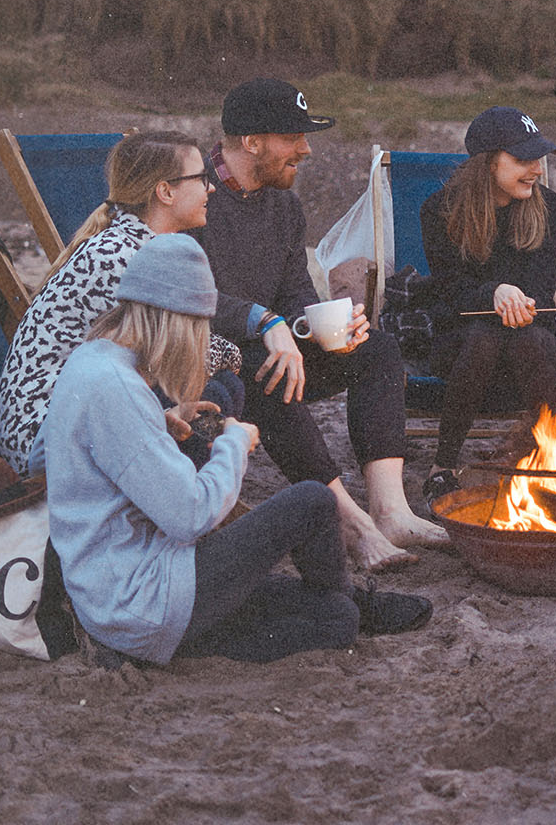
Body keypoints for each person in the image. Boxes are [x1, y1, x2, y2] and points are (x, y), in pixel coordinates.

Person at [32, 234, 432, 666]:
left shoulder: (91, 361)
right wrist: (234, 444)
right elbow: (190, 516)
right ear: (174, 319)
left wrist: (159, 421)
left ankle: (348, 605)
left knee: (332, 617)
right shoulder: (118, 388)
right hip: (146, 602)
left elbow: (58, 453)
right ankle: (348, 605)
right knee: (313, 502)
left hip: (116, 598)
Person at [192, 77, 448, 573]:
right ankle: (351, 524)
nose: (306, 151)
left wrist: (323, 326)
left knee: (375, 348)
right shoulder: (192, 193)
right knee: (268, 374)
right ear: (252, 142)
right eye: (294, 138)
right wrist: (268, 324)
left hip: (274, 343)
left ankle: (391, 510)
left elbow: (294, 289)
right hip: (208, 358)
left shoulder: (283, 205)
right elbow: (184, 292)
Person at [0, 130, 244, 476]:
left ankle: (176, 492)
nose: (211, 187)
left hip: (73, 415)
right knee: (218, 389)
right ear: (165, 191)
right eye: (201, 178)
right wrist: (238, 348)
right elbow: (180, 356)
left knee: (220, 389)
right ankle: (172, 499)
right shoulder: (121, 258)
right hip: (47, 443)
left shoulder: (127, 243)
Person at [417, 107, 556, 499]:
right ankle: (445, 464)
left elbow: (541, 287)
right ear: (488, 163)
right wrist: (494, 293)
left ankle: (555, 463)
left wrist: (516, 300)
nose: (536, 169)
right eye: (523, 160)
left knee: (525, 339)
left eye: (538, 158)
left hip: (529, 336)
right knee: (485, 334)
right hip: (462, 340)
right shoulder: (440, 210)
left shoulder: (553, 210)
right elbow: (449, 292)